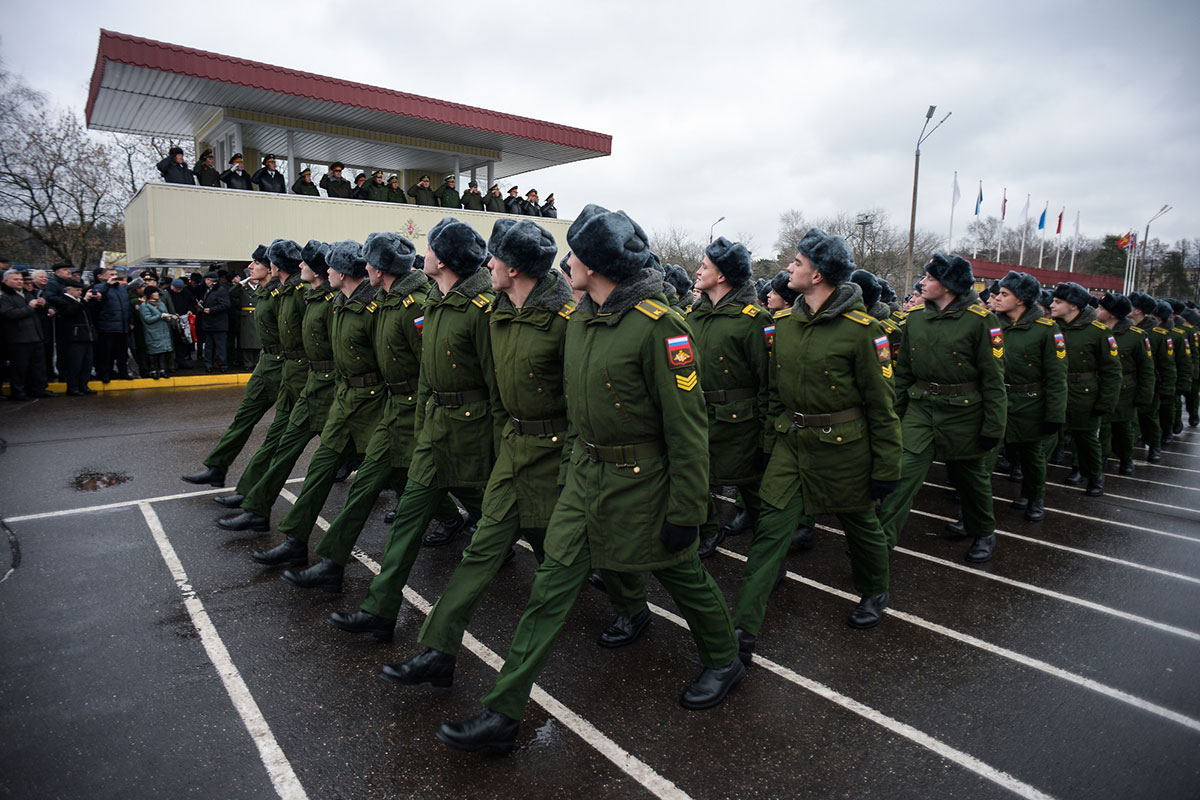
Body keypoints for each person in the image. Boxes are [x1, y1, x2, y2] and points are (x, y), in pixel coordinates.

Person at [436, 204, 743, 754]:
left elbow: (688, 430)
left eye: (575, 253)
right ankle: (504, 711)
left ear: (596, 264)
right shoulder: (583, 318)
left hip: (645, 483)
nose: (567, 261)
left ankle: (724, 659)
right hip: (584, 476)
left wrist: (687, 511)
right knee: (551, 586)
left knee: (682, 576)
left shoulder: (659, 326)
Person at [377, 218, 573, 686]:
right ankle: (439, 649)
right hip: (512, 451)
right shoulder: (501, 311)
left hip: (556, 458)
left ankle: (631, 604)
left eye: (498, 257)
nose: (490, 262)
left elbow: (570, 402)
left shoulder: (563, 322)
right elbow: (502, 394)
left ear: (515, 267)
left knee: (560, 563)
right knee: (480, 552)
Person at [326, 218, 500, 638]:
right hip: (433, 428)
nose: (422, 255)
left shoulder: (478, 309)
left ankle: (609, 581)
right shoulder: (437, 302)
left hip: (471, 429)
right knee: (408, 518)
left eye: (431, 248)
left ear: (445, 258)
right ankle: (380, 610)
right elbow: (429, 374)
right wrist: (422, 423)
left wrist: (496, 448)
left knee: (519, 522)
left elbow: (496, 385)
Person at [733, 230, 900, 648]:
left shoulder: (864, 331)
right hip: (792, 445)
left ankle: (875, 589)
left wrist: (886, 468)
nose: (789, 267)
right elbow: (775, 393)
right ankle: (741, 634)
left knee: (860, 526)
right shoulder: (783, 325)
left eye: (798, 262)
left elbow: (882, 407)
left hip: (843, 448)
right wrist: (768, 447)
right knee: (769, 532)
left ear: (819, 274)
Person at [280, 232, 435, 589]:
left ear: (380, 269)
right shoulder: (371, 301)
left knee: (432, 488)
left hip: (404, 408)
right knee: (358, 481)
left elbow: (428, 366)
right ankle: (324, 557)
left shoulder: (410, 306)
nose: (365, 268)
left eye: (370, 263)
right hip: (370, 403)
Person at [878, 253, 1006, 563]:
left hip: (965, 413)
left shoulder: (981, 321)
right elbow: (904, 370)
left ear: (949, 286)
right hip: (922, 410)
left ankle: (983, 531)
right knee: (901, 475)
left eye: (931, 278)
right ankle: (878, 547)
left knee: (972, 480)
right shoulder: (916, 318)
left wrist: (993, 428)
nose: (922, 283)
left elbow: (993, 380)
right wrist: (895, 414)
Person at [216, 242, 338, 529]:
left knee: (376, 464)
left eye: (305, 264)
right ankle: (257, 507)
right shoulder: (312, 297)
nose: (300, 267)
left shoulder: (323, 300)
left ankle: (449, 513)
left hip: (332, 388)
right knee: (282, 445)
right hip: (305, 380)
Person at [181, 246, 284, 487]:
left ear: (270, 267)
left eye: (256, 263)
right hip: (266, 364)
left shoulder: (282, 294)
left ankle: (353, 459)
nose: (250, 267)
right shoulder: (262, 291)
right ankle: (217, 467)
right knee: (243, 418)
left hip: (286, 366)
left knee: (302, 427)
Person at [990, 271, 1067, 521]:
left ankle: (1034, 497)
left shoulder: (1047, 330)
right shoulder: (991, 324)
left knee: (1032, 459)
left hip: (1030, 403)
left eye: (1004, 294)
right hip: (997, 401)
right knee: (984, 457)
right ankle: (974, 511)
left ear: (1021, 299)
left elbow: (1056, 377)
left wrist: (1054, 414)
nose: (997, 298)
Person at [1049, 282, 1121, 496]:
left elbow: (1112, 371)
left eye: (1058, 302)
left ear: (1074, 306)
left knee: (1087, 440)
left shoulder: (1099, 332)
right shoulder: (1052, 327)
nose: (1052, 305)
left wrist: (1105, 402)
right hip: (1057, 391)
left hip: (1085, 395)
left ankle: (1094, 475)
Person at [1097, 292, 1155, 476]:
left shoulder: (1137, 336)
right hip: (1101, 388)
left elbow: (1146, 369)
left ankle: (1126, 459)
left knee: (1124, 428)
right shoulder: (1096, 331)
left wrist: (1144, 396)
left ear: (1113, 314)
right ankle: (1101, 459)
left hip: (1125, 391)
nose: (1097, 311)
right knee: (1102, 427)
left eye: (1101, 308)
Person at [1127, 292, 1175, 462]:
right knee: (1127, 420)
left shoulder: (1158, 335)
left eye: (1130, 305)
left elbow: (1167, 365)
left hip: (1149, 383)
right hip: (1128, 383)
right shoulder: (1126, 329)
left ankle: (1154, 446)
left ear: (1139, 310)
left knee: (1149, 417)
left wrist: (1168, 390)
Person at [0, 268, 51, 399]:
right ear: (5, 281)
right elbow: (8, 314)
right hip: (18, 338)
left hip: (35, 336)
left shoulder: (27, 294)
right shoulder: (4, 296)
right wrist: (29, 308)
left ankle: (38, 389)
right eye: (15, 279)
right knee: (19, 368)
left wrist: (42, 306)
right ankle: (18, 392)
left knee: (38, 367)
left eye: (20, 279)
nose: (19, 282)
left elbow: (38, 314)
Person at [54, 277, 97, 395]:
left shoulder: (80, 301)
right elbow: (70, 312)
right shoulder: (64, 301)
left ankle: (84, 385)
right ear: (69, 290)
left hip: (87, 336)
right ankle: (73, 387)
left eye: (80, 290)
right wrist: (84, 301)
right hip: (74, 338)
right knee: (75, 364)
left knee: (86, 364)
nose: (80, 292)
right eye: (77, 290)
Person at [91, 266, 133, 382]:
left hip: (122, 326)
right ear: (103, 276)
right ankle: (105, 374)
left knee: (122, 353)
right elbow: (97, 300)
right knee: (106, 353)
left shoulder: (122, 289)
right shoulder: (99, 287)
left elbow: (127, 306)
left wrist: (130, 321)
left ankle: (123, 372)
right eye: (111, 274)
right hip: (107, 327)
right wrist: (107, 285)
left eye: (115, 274)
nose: (114, 277)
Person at [137, 285, 175, 379]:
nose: (157, 294)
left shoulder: (161, 303)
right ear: (149, 294)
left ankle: (162, 370)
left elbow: (165, 313)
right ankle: (153, 370)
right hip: (152, 332)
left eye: (157, 292)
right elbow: (147, 319)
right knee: (153, 352)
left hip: (164, 331)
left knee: (163, 352)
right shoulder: (144, 306)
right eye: (154, 292)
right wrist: (160, 316)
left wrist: (170, 317)